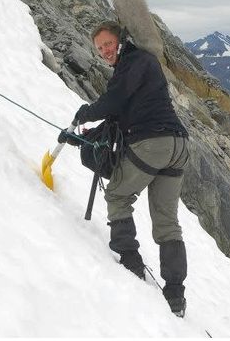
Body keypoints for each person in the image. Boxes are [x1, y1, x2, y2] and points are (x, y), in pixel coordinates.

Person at [62, 20, 189, 317]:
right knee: (167, 220)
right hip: (179, 147)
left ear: (119, 40)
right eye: (99, 48)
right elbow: (117, 118)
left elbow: (113, 102)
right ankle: (175, 295)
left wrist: (85, 113)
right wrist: (80, 136)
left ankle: (130, 260)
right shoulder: (140, 64)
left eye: (107, 43)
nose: (105, 51)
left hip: (152, 144)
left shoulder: (134, 62)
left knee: (118, 195)